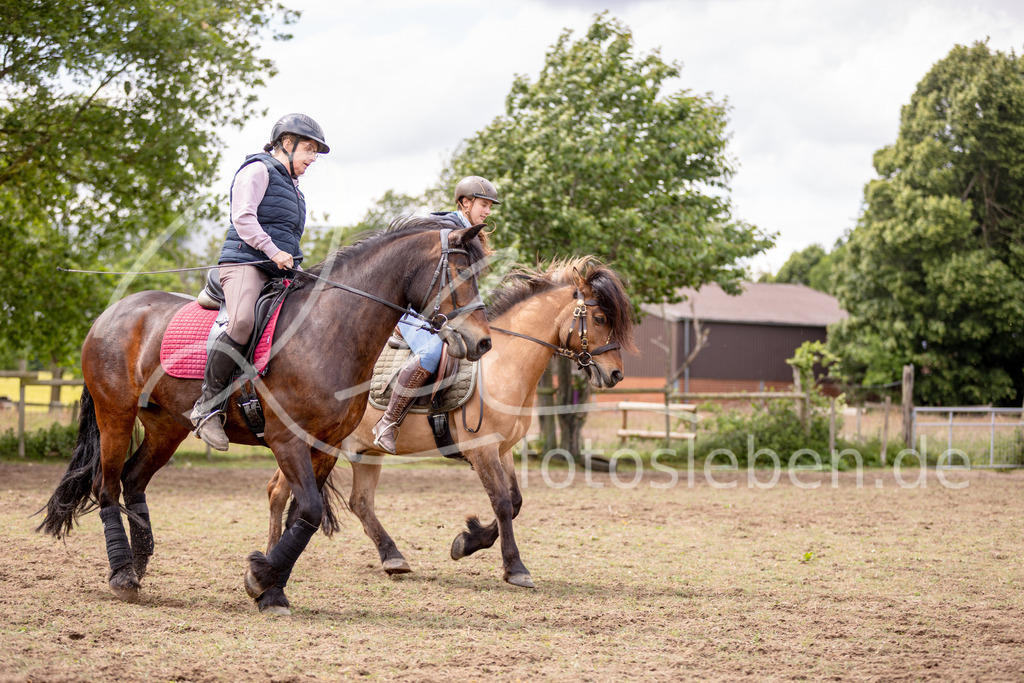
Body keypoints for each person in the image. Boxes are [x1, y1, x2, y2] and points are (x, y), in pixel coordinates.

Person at [190, 113, 330, 451]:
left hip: (279, 269)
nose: (312, 159)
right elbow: (243, 218)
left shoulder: (296, 191)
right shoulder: (257, 170)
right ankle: (206, 408)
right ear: (286, 143)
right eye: (308, 150)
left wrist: (293, 262)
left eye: (314, 153)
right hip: (244, 262)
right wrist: (273, 250)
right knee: (241, 322)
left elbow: (286, 233)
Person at [371, 176, 500, 454]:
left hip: (441, 313)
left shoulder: (472, 236)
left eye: (490, 206)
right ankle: (387, 422)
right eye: (483, 204)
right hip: (413, 312)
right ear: (465, 202)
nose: (488, 211)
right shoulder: (443, 230)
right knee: (431, 353)